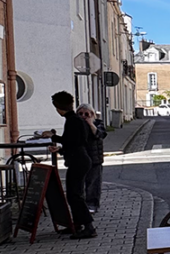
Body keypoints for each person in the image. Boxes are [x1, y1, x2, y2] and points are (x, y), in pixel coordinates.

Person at [44, 91, 96, 239]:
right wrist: (60, 149)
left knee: (74, 195)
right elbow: (76, 142)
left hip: (78, 161)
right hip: (80, 159)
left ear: (59, 108)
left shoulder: (73, 120)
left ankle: (88, 227)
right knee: (75, 194)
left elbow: (71, 141)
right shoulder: (76, 120)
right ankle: (77, 225)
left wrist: (52, 137)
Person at [78, 105, 106, 213]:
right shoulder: (76, 126)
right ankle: (83, 205)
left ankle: (92, 205)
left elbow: (100, 134)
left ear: (92, 115)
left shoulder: (98, 123)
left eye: (86, 114)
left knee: (93, 184)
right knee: (80, 184)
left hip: (94, 160)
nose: (83, 116)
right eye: (80, 114)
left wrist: (90, 124)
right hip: (81, 160)